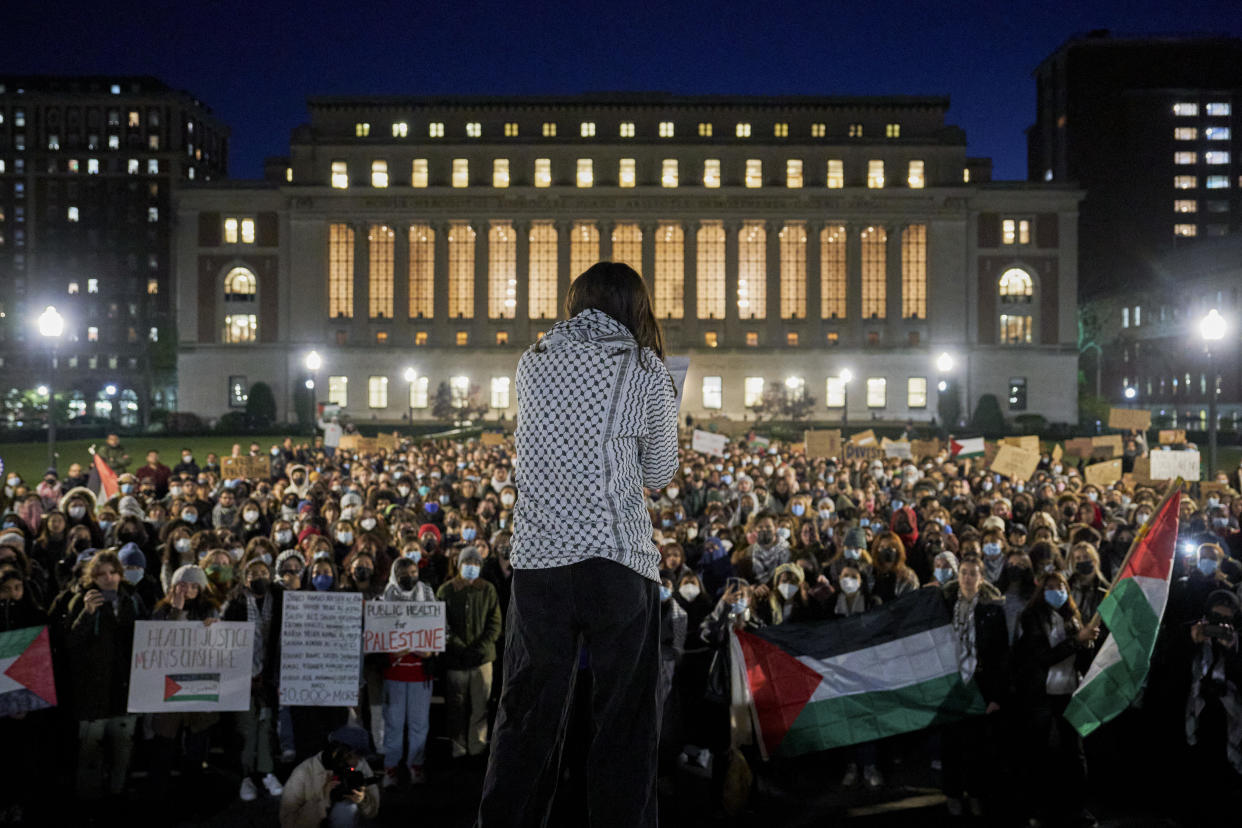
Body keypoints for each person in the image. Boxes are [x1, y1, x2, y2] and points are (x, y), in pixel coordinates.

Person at [480, 262, 678, 828]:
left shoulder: (533, 361)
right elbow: (660, 471)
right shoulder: (643, 367)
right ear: (634, 307)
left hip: (540, 564)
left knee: (526, 716)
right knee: (624, 722)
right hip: (616, 561)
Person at [1013, 571, 1101, 827]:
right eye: (1050, 587)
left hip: (1069, 692)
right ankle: (1038, 809)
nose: (1056, 591)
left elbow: (1079, 659)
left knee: (1074, 753)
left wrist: (1087, 645)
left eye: (1060, 586)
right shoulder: (1031, 617)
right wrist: (1077, 641)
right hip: (1041, 694)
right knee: (1039, 752)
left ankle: (1077, 807)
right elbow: (1040, 657)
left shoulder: (1072, 617)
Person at [63, 549, 147, 799]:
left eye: (113, 573)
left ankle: (117, 795)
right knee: (90, 753)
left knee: (122, 750)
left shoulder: (132, 600)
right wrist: (86, 615)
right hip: (93, 692)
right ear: (93, 579)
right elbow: (71, 643)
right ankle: (88, 801)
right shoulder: (81, 601)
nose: (109, 579)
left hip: (124, 690)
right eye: (101, 575)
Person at [939, 556, 1009, 817]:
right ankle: (953, 794)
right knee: (951, 745)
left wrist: (996, 695)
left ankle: (977, 793)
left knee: (978, 747)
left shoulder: (992, 610)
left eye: (973, 574)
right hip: (952, 684)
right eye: (964, 573)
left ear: (981, 579)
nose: (967, 578)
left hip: (980, 685)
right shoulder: (944, 607)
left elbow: (1001, 655)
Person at [438, 546, 501, 761]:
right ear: (459, 565)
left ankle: (478, 746)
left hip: (482, 660)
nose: (471, 567)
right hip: (456, 660)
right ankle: (458, 746)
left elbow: (495, 624)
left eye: (475, 563)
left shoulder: (488, 590)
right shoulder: (446, 590)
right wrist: (459, 647)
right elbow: (441, 624)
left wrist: (478, 649)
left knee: (480, 704)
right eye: (467, 563)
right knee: (456, 706)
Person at [379, 557, 436, 786]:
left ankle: (415, 765)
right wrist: (404, 649)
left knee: (419, 724)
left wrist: (424, 650)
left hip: (421, 675)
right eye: (404, 572)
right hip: (394, 675)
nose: (409, 576)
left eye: (413, 571)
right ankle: (390, 768)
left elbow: (437, 632)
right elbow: (380, 638)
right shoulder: (384, 599)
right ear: (395, 574)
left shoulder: (428, 596)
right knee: (393, 723)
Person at [280, 725, 380, 828]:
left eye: (360, 756)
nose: (356, 761)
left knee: (346, 808)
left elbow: (372, 811)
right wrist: (324, 799)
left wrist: (363, 800)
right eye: (352, 756)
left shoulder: (361, 765)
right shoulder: (304, 772)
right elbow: (288, 822)